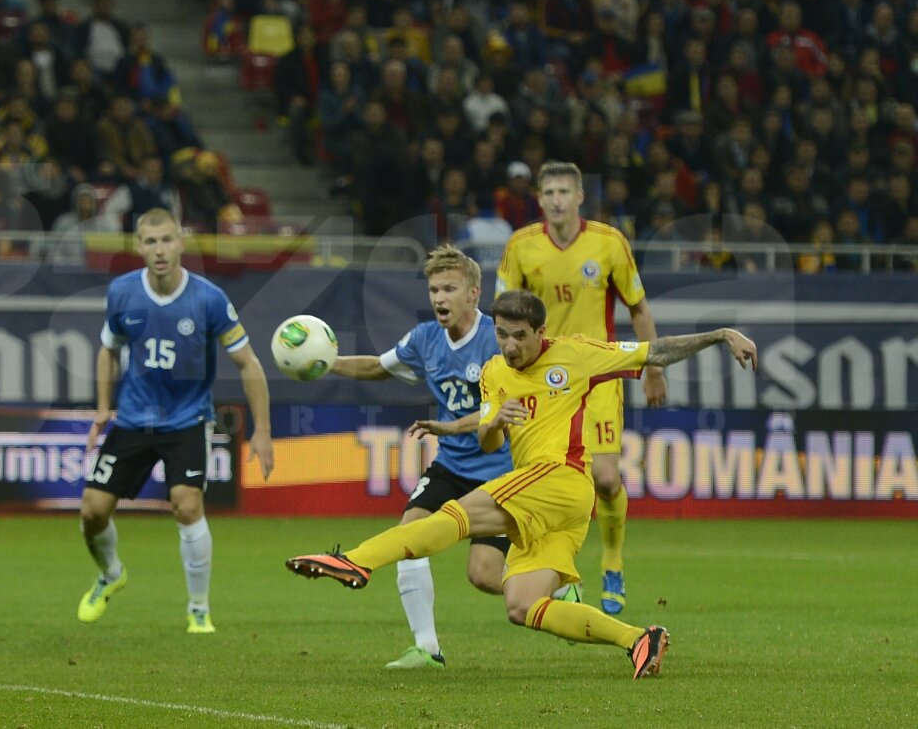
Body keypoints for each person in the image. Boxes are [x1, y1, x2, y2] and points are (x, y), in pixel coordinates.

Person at [287, 289, 758, 679]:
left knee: (456, 516)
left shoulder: (576, 354)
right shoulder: (494, 373)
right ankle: (638, 638)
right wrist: (498, 418)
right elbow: (491, 441)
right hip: (551, 504)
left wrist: (720, 334)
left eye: (519, 336)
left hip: (561, 478)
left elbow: (656, 351)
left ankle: (355, 561)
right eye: (501, 334)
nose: (509, 345)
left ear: (539, 333)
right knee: (522, 604)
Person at [324, 245, 580, 670]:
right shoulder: (425, 339)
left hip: (498, 470)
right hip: (451, 465)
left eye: (449, 288)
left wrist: (446, 426)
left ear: (473, 293)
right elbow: (376, 368)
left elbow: (491, 417)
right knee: (410, 535)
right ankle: (427, 648)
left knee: (483, 575)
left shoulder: (498, 341)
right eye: (434, 289)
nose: (439, 298)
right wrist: (324, 362)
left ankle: (555, 590)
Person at [78, 208, 274, 634]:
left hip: (187, 420)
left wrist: (262, 429)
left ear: (182, 242)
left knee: (187, 506)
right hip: (132, 419)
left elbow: (248, 364)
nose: (159, 250)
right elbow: (108, 349)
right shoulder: (122, 292)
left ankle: (198, 607)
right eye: (150, 242)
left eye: (167, 240)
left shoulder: (208, 298)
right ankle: (111, 574)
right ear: (138, 247)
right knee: (92, 512)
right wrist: (101, 407)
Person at [495, 161, 667, 615]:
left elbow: (638, 306)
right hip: (541, 384)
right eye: (548, 192)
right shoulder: (521, 247)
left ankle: (612, 560)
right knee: (550, 481)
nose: (555, 200)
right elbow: (501, 317)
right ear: (539, 198)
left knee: (605, 478)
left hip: (596, 376)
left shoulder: (609, 244)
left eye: (563, 192)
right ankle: (564, 571)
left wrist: (652, 367)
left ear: (579, 197)